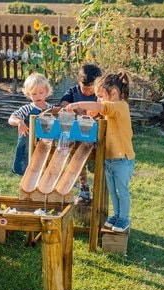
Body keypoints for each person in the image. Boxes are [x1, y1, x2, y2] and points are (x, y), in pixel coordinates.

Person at [65, 71, 135, 233]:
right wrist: (96, 114)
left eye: (101, 96)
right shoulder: (110, 109)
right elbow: (102, 113)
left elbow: (101, 107)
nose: (98, 100)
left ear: (114, 93)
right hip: (110, 159)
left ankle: (124, 218)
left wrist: (76, 105)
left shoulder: (120, 106)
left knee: (121, 191)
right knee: (112, 190)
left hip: (122, 158)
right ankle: (117, 215)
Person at [59, 63, 102, 203]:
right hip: (77, 139)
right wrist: (77, 109)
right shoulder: (74, 91)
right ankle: (84, 188)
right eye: (85, 88)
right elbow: (64, 103)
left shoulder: (100, 96)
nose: (88, 92)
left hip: (95, 139)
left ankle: (98, 190)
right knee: (77, 160)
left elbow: (104, 110)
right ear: (79, 82)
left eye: (91, 89)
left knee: (95, 167)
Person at [8, 73, 54, 176]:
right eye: (34, 94)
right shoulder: (27, 108)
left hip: (46, 144)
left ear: (47, 92)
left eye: (41, 92)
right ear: (28, 94)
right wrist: (19, 122)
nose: (38, 96)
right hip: (27, 144)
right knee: (27, 169)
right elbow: (11, 119)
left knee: (44, 170)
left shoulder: (52, 109)